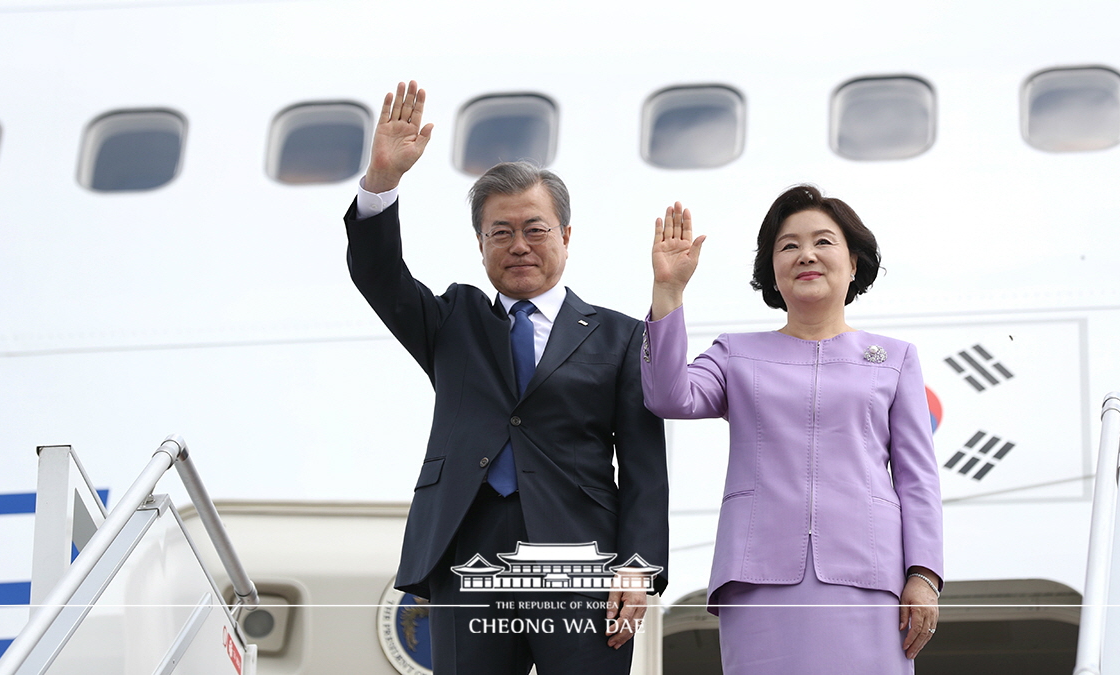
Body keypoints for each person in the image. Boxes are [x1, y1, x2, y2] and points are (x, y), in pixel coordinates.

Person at [344, 81, 668, 675]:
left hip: (582, 560)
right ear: (480, 244)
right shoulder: (452, 321)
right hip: (469, 551)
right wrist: (382, 180)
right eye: (501, 232)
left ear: (566, 238)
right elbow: (377, 273)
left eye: (535, 229)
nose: (518, 246)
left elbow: (644, 466)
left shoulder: (623, 337)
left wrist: (638, 564)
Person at [641, 187, 943, 673]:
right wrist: (669, 292)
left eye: (824, 242)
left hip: (870, 575)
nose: (806, 255)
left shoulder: (895, 358)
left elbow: (917, 478)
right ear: (773, 272)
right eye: (788, 246)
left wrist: (923, 573)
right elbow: (667, 396)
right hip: (759, 575)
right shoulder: (733, 353)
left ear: (853, 262)